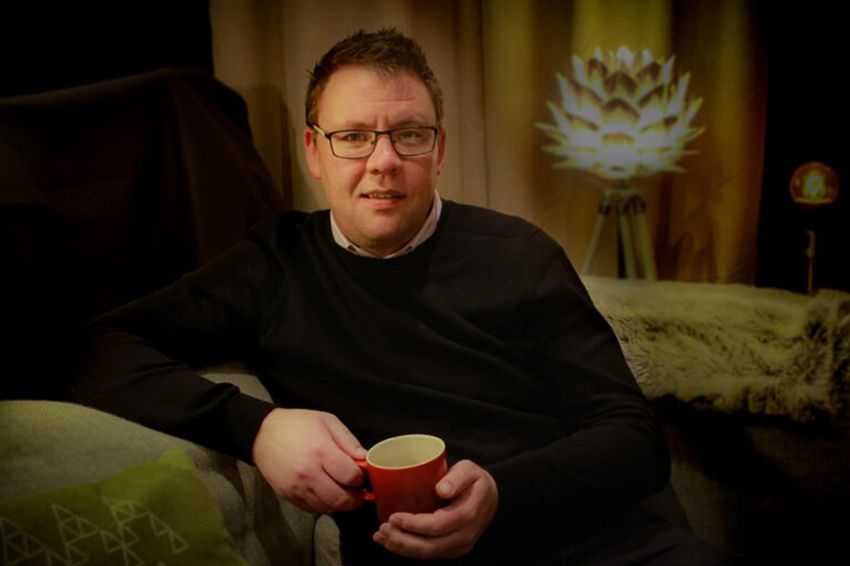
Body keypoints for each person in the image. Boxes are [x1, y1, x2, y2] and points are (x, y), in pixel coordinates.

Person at [69, 28, 724, 565]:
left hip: (591, 546)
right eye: (353, 136)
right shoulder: (273, 265)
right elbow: (94, 347)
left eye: (408, 134)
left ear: (438, 152)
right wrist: (257, 427)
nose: (381, 160)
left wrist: (501, 492)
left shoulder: (517, 254)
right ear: (313, 153)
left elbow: (636, 440)